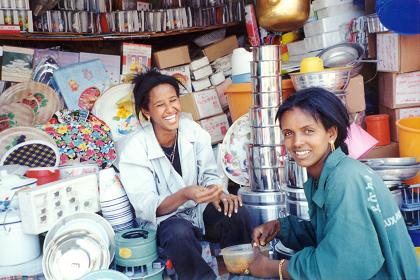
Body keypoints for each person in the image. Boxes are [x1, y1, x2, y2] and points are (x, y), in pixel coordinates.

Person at [248, 88, 420, 279]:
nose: (296, 142)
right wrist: (282, 228)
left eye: (308, 131)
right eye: (288, 133)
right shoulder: (326, 174)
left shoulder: (345, 179)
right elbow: (336, 234)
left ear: (331, 133)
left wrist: (274, 268)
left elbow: (340, 266)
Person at [117, 69, 252, 280]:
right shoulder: (134, 149)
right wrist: (185, 194)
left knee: (235, 212)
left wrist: (220, 193)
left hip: (198, 210)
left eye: (173, 100)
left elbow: (210, 175)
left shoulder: (193, 131)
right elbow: (148, 206)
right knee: (178, 232)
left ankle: (242, 274)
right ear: (146, 111)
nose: (170, 109)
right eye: (160, 105)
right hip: (164, 221)